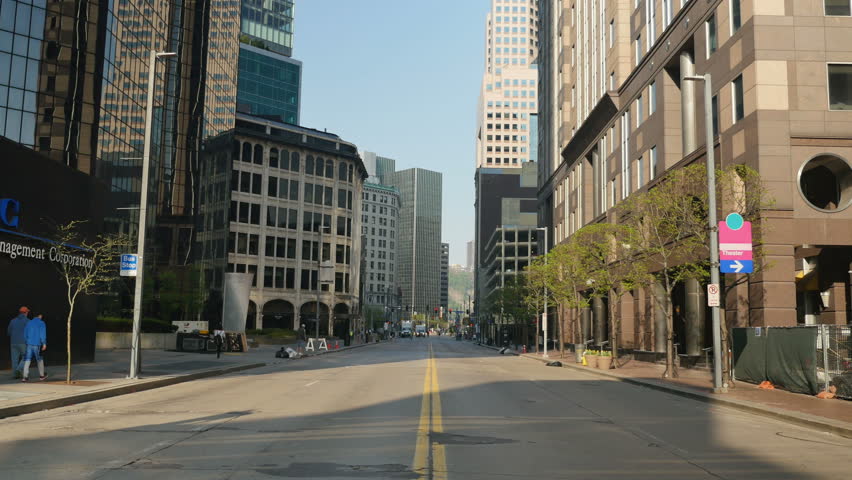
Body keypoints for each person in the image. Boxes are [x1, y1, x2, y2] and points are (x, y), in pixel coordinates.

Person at [21, 313, 47, 382]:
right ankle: (41, 376)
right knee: (39, 359)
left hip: (29, 344)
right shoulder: (41, 323)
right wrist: (44, 343)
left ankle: (25, 377)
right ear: (40, 316)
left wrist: (27, 341)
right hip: (37, 344)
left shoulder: (29, 323)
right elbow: (42, 333)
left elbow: (25, 333)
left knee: (27, 359)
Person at [7, 307, 30, 379]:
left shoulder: (12, 321)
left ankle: (15, 375)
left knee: (14, 360)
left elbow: (8, 332)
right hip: (23, 342)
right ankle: (18, 370)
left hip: (13, 342)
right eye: (27, 312)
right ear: (26, 313)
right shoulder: (28, 321)